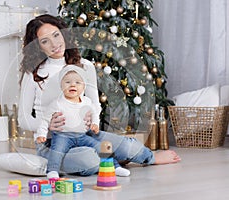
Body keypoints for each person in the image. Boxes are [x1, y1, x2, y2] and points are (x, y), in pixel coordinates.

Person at [18, 14, 181, 176]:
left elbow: (95, 104)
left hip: (85, 135)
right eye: (45, 41)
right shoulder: (33, 73)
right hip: (51, 142)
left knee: (129, 147)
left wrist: (91, 116)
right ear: (38, 46)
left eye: (56, 35)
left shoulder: (85, 66)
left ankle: (147, 157)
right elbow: (23, 119)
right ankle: (63, 161)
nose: (54, 44)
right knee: (89, 161)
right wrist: (47, 124)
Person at [36, 64, 130, 178]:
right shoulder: (57, 103)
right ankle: (52, 171)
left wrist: (95, 123)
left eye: (77, 82)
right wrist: (41, 134)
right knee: (57, 151)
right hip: (63, 136)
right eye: (67, 82)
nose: (72, 85)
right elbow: (45, 120)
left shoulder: (87, 101)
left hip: (82, 135)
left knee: (101, 147)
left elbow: (94, 113)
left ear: (83, 86)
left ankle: (115, 167)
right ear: (61, 86)